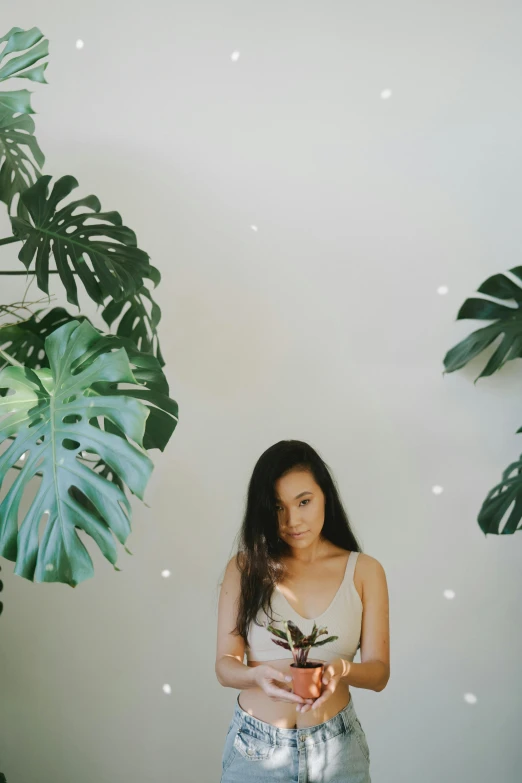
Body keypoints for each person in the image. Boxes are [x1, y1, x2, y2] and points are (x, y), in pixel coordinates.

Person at [215, 440, 390, 782]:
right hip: (256, 750)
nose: (293, 520)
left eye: (304, 502)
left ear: (326, 496)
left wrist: (341, 669)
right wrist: (255, 677)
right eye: (278, 507)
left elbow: (379, 673)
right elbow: (225, 667)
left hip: (337, 752)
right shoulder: (244, 568)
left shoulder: (365, 570)